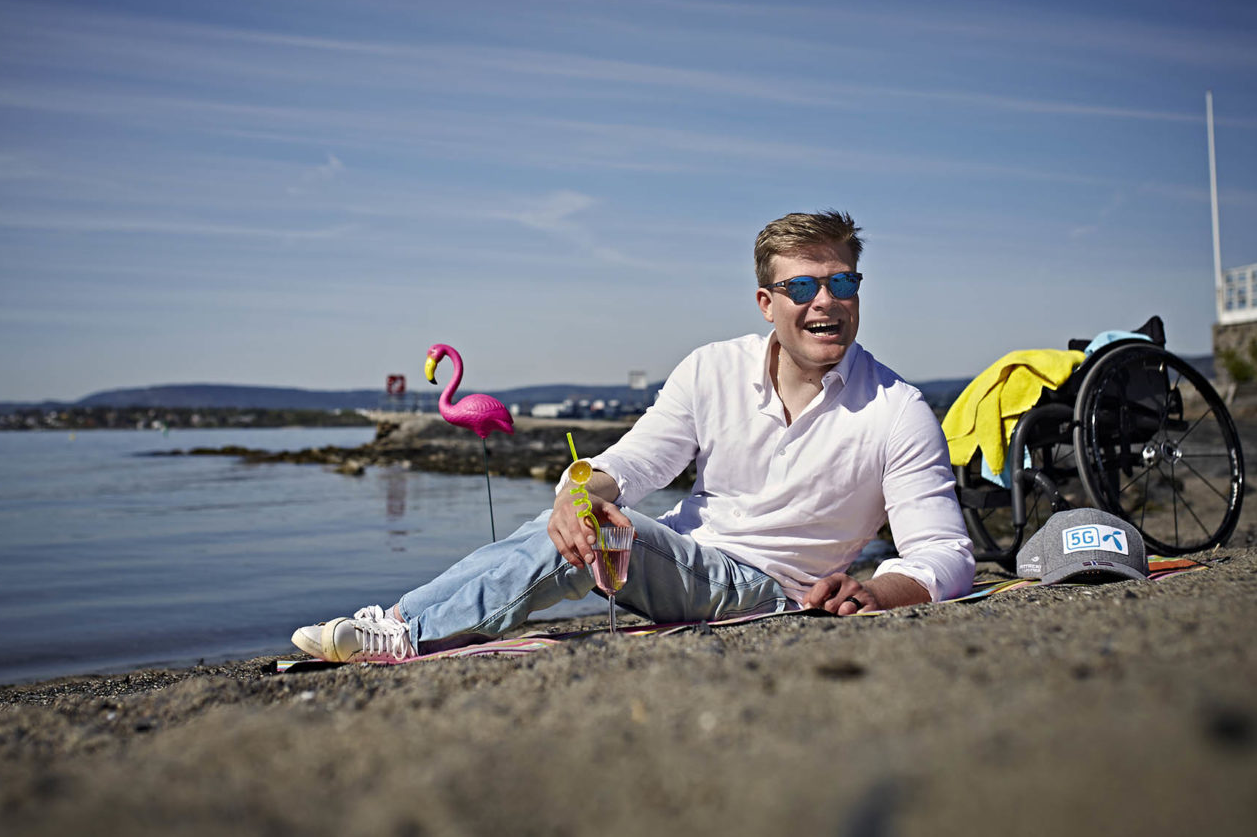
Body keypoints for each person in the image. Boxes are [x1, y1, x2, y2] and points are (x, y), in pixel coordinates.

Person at [292, 211, 975, 663]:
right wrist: (578, 491)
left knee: (603, 535)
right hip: (687, 562)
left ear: (858, 291)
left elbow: (943, 552)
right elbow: (632, 462)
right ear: (767, 304)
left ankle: (404, 633)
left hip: (769, 592)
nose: (824, 300)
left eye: (840, 281)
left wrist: (879, 594)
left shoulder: (898, 410)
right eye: (801, 285)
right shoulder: (713, 368)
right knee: (587, 518)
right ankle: (403, 620)